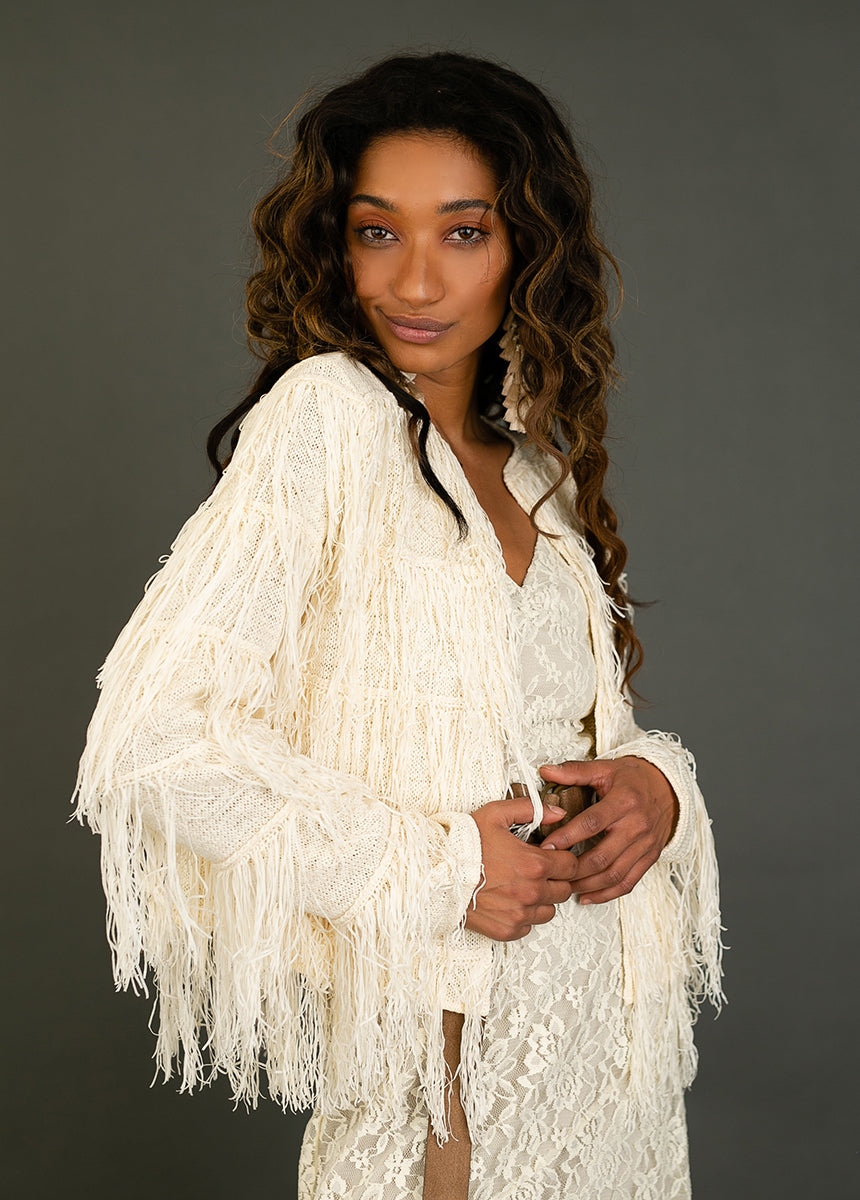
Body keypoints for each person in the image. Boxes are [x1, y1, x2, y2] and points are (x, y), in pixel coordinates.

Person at [74, 51, 723, 1200]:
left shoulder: (533, 464)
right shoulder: (325, 419)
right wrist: (436, 869)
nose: (415, 281)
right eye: (378, 232)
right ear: (337, 246)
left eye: (463, 233)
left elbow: (569, 734)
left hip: (595, 1058)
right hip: (449, 1070)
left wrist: (654, 791)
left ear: (528, 248)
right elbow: (154, 743)